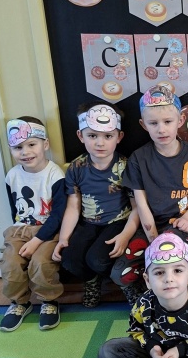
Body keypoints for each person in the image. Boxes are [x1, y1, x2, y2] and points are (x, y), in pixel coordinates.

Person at [112, 85, 188, 305]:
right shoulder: (139, 158)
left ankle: (177, 302)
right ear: (144, 125)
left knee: (170, 264)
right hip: (151, 226)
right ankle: (143, 298)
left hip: (181, 226)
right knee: (119, 273)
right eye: (153, 123)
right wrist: (153, 237)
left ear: (180, 120)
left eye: (167, 122)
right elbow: (141, 204)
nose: (161, 129)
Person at [52, 103, 140, 307]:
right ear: (81, 136)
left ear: (119, 137)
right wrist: (64, 238)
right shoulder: (77, 167)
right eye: (92, 135)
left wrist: (126, 235)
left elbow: (137, 207)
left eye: (108, 136)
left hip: (119, 222)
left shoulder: (126, 166)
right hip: (88, 222)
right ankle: (92, 281)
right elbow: (73, 206)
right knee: (69, 259)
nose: (100, 143)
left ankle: (127, 283)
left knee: (98, 259)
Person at [0, 117, 67, 331]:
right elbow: (15, 210)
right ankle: (19, 302)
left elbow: (58, 215)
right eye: (18, 147)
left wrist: (37, 240)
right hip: (20, 230)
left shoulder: (55, 174)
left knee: (41, 263)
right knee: (10, 263)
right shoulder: (12, 176)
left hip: (49, 230)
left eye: (31, 145)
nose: (25, 152)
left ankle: (49, 301)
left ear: (45, 144)